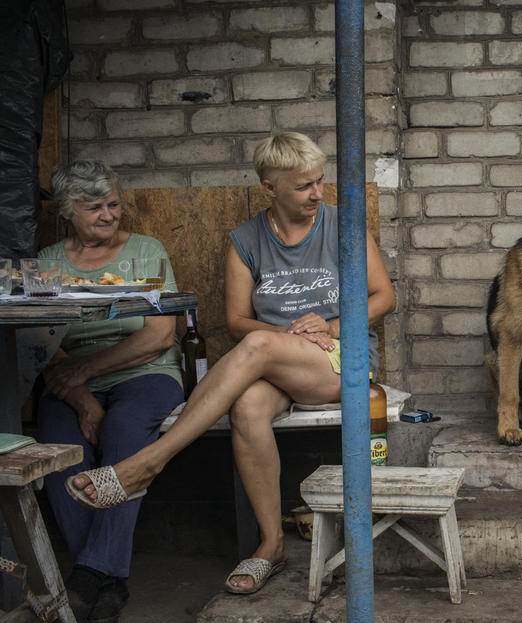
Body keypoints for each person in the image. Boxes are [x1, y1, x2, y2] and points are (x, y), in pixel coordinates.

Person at [64, 132, 396, 594]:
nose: (317, 193)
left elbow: (384, 297)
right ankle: (271, 544)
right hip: (278, 359)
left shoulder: (344, 225)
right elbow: (238, 320)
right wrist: (284, 335)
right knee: (246, 409)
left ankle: (149, 463)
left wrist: (332, 326)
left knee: (256, 350)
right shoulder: (245, 239)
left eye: (320, 182)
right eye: (303, 186)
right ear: (269, 188)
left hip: (341, 358)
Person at [37, 159, 184, 623]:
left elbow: (159, 336)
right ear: (66, 211)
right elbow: (40, 343)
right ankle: (105, 578)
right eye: (93, 207)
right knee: (60, 443)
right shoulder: (45, 264)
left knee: (124, 427)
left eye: (114, 204)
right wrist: (82, 398)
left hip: (146, 372)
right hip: (72, 384)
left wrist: (86, 371)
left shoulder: (146, 250)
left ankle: (86, 576)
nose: (108, 214)